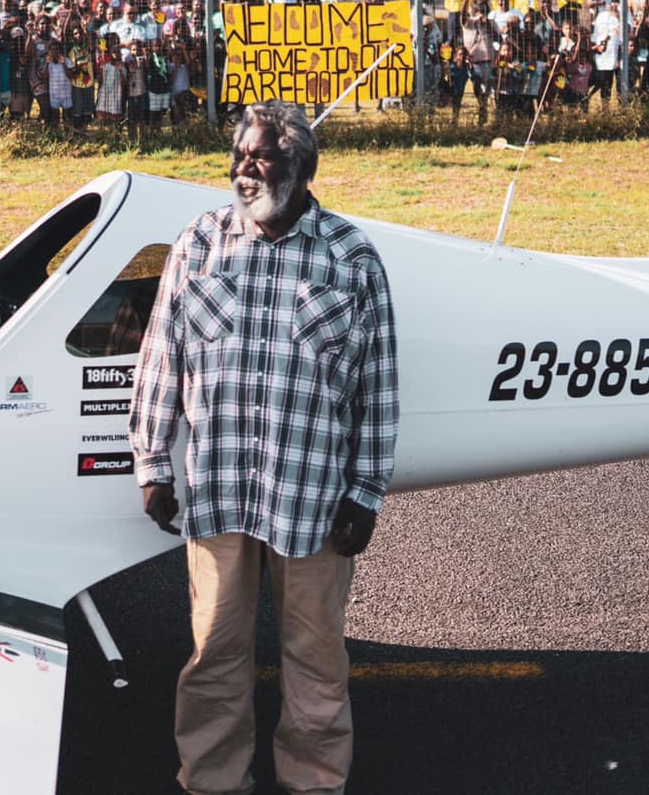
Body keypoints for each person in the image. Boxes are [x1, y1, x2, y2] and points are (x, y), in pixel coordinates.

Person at [131, 102, 398, 795]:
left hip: (311, 499)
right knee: (215, 654)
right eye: (240, 155)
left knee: (314, 659)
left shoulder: (351, 258)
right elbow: (163, 355)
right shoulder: (199, 243)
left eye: (263, 158)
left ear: (303, 169)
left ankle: (312, 782)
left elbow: (378, 385)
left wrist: (365, 493)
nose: (245, 169)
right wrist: (153, 465)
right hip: (216, 490)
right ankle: (213, 780)